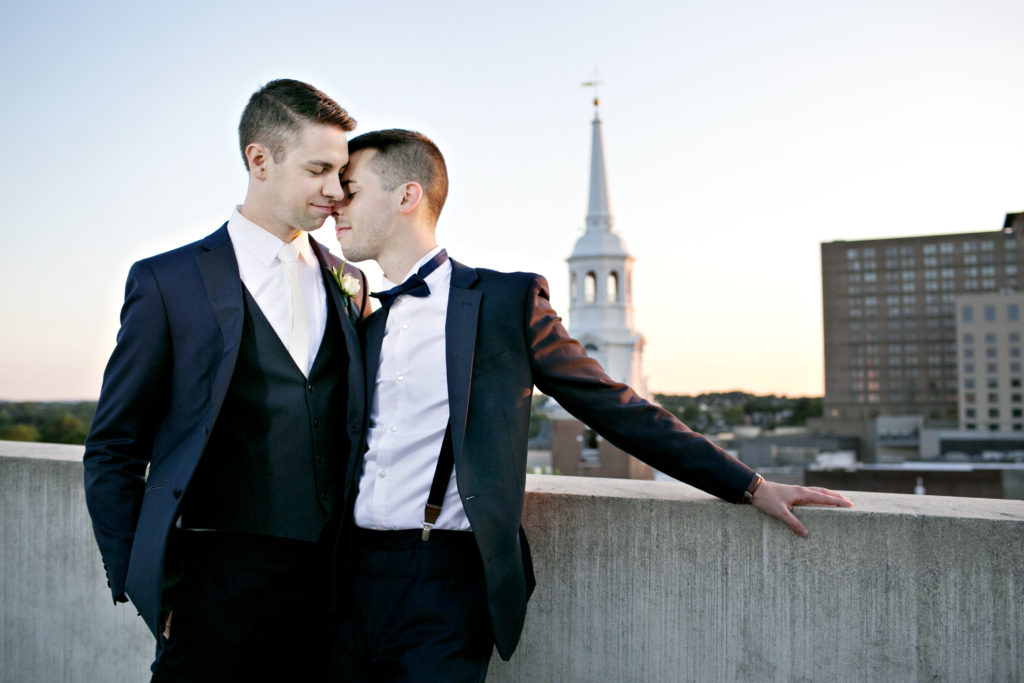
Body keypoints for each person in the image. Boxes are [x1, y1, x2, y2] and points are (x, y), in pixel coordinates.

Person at [328, 129, 853, 682]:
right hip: (347, 578)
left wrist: (747, 484)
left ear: (407, 196)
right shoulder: (364, 315)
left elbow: (613, 406)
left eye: (351, 191)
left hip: (442, 579)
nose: (336, 205)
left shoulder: (503, 302)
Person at [82, 79, 370, 682]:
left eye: (341, 172)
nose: (335, 190)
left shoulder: (349, 281)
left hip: (334, 599)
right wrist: (152, 590)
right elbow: (113, 447)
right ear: (259, 160)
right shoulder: (169, 282)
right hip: (212, 595)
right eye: (319, 168)